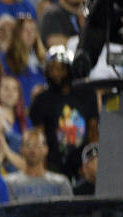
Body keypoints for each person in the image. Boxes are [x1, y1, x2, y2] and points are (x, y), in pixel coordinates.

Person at [28, 46, 98, 182]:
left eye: (60, 69)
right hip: (53, 166)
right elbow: (39, 136)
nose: (55, 73)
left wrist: (90, 162)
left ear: (69, 69)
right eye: (51, 69)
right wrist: (43, 170)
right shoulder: (41, 99)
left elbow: (93, 131)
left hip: (82, 165)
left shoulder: (87, 95)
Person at [2, 128, 71, 217]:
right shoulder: (9, 182)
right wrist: (47, 216)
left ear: (46, 149)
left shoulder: (60, 183)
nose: (32, 150)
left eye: (37, 145)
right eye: (28, 145)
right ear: (21, 150)